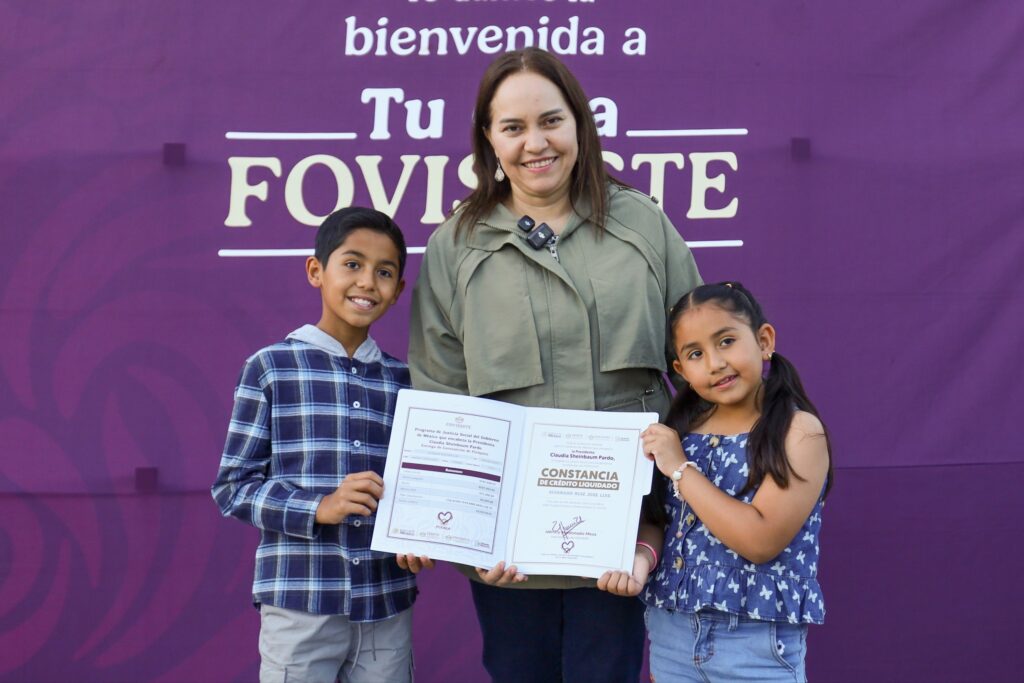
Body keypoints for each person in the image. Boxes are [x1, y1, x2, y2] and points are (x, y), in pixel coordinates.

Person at [408, 47, 702, 683]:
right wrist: (470, 538)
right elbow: (441, 396)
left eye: (551, 121)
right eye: (512, 128)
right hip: (510, 550)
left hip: (624, 535)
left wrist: (673, 509)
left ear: (579, 125)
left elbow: (700, 364)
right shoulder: (456, 246)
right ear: (488, 139)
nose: (534, 143)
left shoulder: (642, 225)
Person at [212, 207, 423, 683]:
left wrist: (420, 536)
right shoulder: (271, 368)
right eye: (352, 264)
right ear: (316, 270)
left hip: (386, 602)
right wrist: (319, 507)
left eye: (384, 272)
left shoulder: (406, 383)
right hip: (299, 602)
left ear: (399, 290)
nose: (367, 282)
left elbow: (418, 487)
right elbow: (233, 487)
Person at [601, 281, 833, 682]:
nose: (715, 362)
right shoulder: (681, 431)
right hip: (671, 637)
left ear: (764, 340)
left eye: (726, 341)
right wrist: (641, 561)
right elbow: (662, 521)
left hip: (754, 646)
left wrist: (680, 469)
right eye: (695, 354)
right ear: (681, 371)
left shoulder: (798, 432)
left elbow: (760, 541)